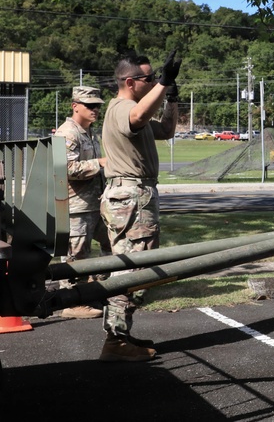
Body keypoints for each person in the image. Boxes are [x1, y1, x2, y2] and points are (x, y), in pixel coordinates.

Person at [99, 51, 180, 362]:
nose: (155, 82)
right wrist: (165, 82)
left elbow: (166, 130)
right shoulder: (122, 108)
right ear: (130, 83)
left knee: (134, 268)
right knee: (134, 271)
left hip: (137, 195)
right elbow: (138, 118)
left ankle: (121, 335)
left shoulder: (136, 109)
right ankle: (115, 341)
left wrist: (170, 96)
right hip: (130, 197)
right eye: (150, 78)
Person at [56, 86, 111, 319]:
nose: (95, 109)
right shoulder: (68, 133)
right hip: (75, 205)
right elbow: (65, 168)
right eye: (90, 105)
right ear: (75, 106)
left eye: (97, 105)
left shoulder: (88, 132)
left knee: (111, 242)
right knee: (76, 254)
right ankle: (71, 302)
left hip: (94, 203)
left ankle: (101, 288)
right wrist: (99, 163)